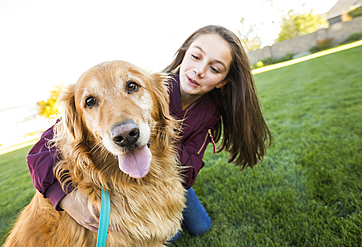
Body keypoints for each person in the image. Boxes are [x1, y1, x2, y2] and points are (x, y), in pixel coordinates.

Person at [27, 25, 272, 240]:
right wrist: (62, 195)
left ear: (222, 81)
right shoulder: (157, 83)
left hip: (170, 175)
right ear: (184, 54)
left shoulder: (209, 111)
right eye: (196, 57)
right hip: (134, 172)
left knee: (199, 227)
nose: (199, 70)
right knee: (159, 233)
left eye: (215, 68)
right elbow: (39, 152)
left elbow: (190, 170)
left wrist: (161, 145)